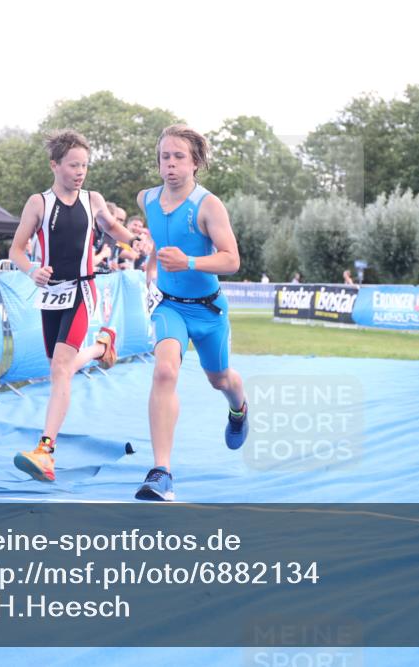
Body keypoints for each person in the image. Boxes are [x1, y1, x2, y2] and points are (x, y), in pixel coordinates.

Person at [8, 129, 139, 483]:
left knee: (61, 369)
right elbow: (16, 251)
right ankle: (100, 347)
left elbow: (112, 227)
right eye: (73, 165)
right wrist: (33, 269)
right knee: (58, 369)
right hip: (51, 294)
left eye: (85, 165)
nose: (80, 172)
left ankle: (45, 452)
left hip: (82, 290)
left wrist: (135, 241)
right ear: (55, 165)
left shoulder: (93, 199)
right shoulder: (38, 203)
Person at [133, 124, 248, 502]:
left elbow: (231, 260)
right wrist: (154, 266)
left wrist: (190, 261)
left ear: (195, 162)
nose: (170, 164)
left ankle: (239, 406)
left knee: (221, 380)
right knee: (165, 370)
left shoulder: (208, 205)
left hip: (208, 311)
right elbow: (161, 241)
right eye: (165, 156)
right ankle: (161, 472)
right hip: (170, 307)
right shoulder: (146, 199)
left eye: (179, 157)